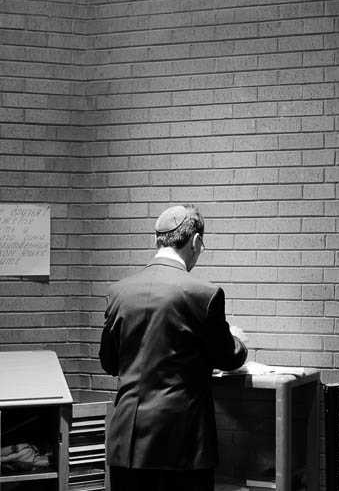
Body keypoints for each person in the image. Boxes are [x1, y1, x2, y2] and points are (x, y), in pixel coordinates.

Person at [99, 204, 248, 491]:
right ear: (195, 242)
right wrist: (236, 339)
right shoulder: (204, 294)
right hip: (183, 446)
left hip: (127, 442)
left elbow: (109, 362)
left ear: (157, 241)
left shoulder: (118, 291)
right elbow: (228, 358)